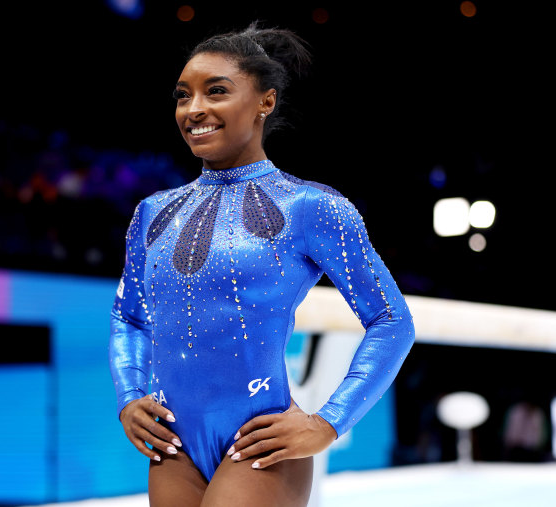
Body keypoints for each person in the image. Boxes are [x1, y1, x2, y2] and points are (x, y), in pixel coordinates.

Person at [109, 22, 415, 507]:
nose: (194, 110)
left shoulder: (311, 207)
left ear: (265, 102)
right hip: (174, 445)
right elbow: (128, 317)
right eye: (182, 95)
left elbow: (392, 320)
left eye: (216, 92)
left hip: (260, 442)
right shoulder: (152, 212)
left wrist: (329, 421)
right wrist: (129, 394)